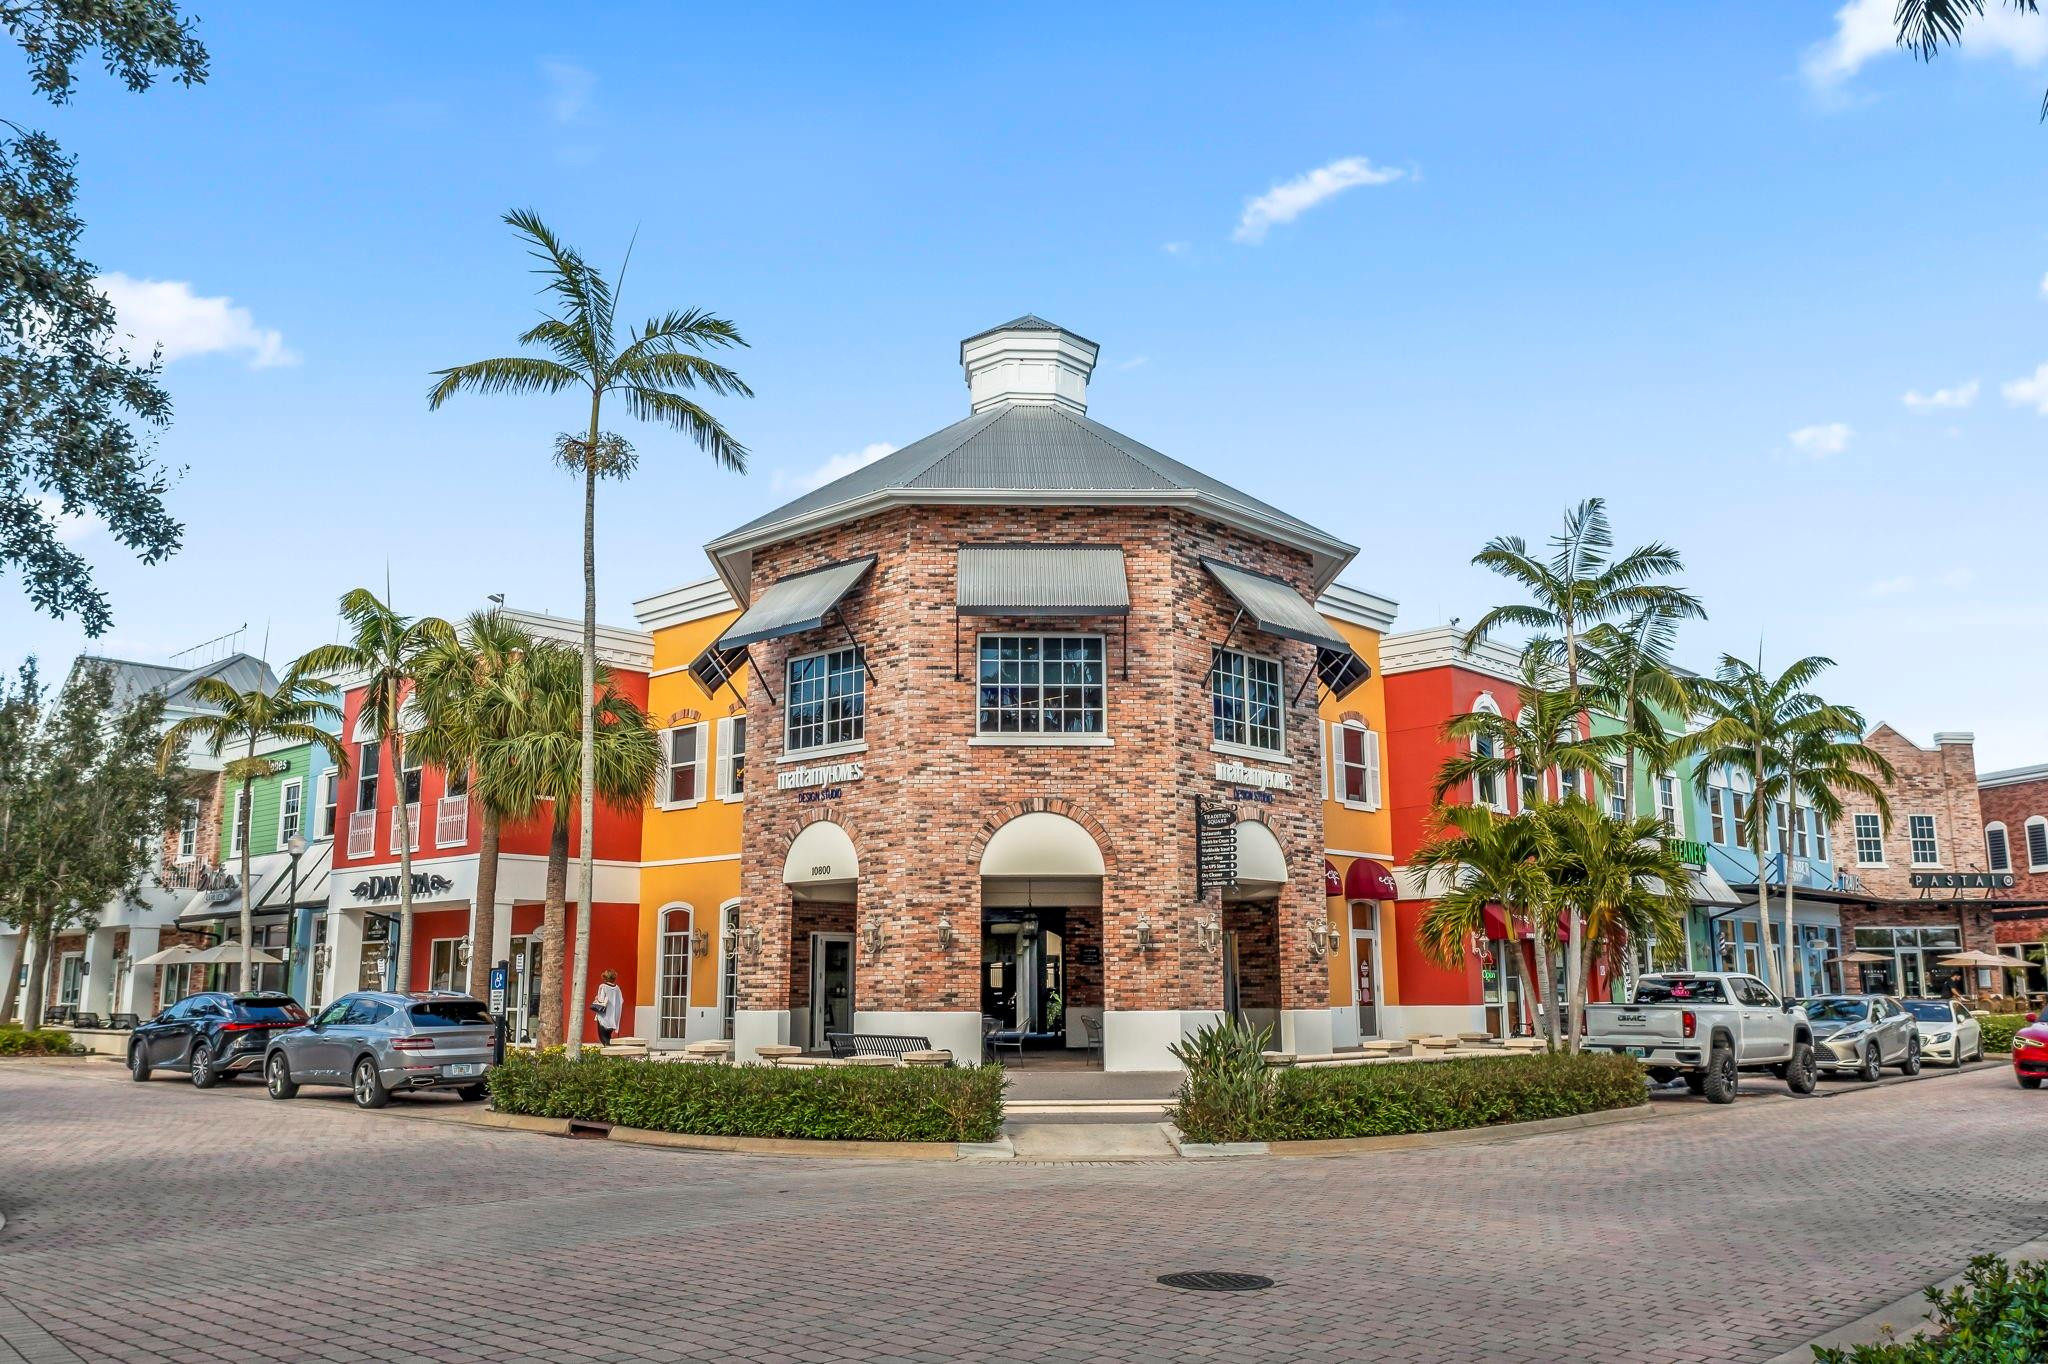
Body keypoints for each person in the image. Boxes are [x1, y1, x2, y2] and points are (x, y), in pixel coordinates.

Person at [591, 969, 624, 1045]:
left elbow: (601, 999)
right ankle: (608, 1046)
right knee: (608, 1035)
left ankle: (606, 1048)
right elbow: (621, 1000)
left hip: (603, 1015)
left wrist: (596, 999)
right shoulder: (617, 988)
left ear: (605, 977)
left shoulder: (603, 986)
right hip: (613, 1016)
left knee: (602, 1035)